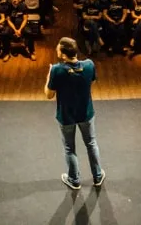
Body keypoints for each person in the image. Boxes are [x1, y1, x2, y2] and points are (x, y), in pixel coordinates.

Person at [44, 37, 104, 190]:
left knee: (70, 149)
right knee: (91, 144)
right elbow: (91, 82)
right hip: (86, 113)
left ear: (63, 54)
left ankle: (74, 180)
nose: (56, 49)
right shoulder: (89, 65)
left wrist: (48, 77)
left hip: (66, 116)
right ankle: (97, 176)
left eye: (58, 48)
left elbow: (49, 95)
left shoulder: (57, 70)